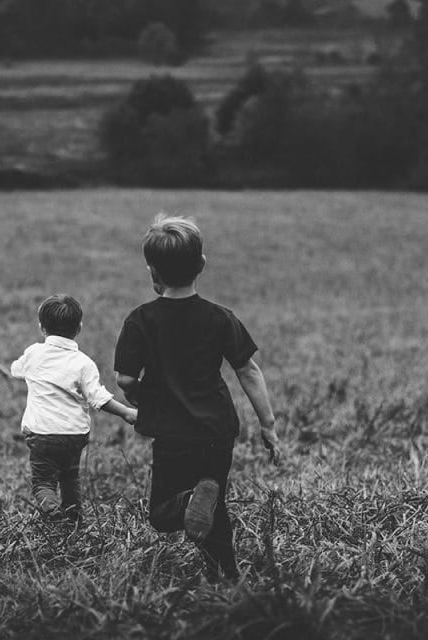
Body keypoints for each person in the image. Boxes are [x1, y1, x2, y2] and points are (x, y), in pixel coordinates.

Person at [114, 214, 282, 581]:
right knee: (212, 506)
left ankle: (191, 502)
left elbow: (125, 378)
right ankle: (227, 576)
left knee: (163, 513)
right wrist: (267, 424)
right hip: (218, 430)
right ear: (201, 265)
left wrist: (143, 397)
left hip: (173, 433)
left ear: (152, 270)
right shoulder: (220, 318)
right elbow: (248, 370)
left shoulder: (141, 320)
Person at [11, 294, 137, 522]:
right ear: (79, 327)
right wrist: (127, 412)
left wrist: (20, 368)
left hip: (42, 434)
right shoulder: (83, 363)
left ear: (42, 328)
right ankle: (74, 521)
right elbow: (97, 397)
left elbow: (16, 370)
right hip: (74, 434)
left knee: (43, 483)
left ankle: (53, 513)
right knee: (70, 477)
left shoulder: (33, 353)